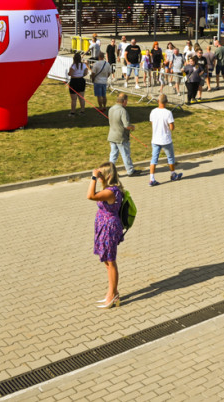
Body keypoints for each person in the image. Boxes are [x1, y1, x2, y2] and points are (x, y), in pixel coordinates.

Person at [87, 161, 124, 309]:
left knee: (111, 261)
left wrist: (93, 178)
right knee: (106, 261)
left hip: (109, 227)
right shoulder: (109, 189)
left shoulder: (111, 191)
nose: (99, 176)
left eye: (101, 174)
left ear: (108, 175)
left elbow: (90, 196)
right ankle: (112, 292)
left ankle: (113, 295)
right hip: (103, 226)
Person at [148, 94, 180, 186]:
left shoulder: (153, 112)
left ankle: (151, 178)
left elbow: (152, 123)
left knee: (154, 159)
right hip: (165, 139)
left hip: (155, 139)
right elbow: (171, 127)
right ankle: (173, 174)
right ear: (166, 102)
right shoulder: (168, 113)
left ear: (158, 101)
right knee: (170, 157)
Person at [107, 93, 135, 177]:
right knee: (125, 154)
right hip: (121, 137)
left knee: (113, 155)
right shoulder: (123, 111)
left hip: (112, 135)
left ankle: (110, 172)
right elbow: (126, 125)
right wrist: (132, 127)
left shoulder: (111, 109)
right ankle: (130, 171)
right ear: (124, 101)